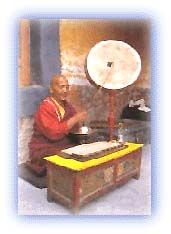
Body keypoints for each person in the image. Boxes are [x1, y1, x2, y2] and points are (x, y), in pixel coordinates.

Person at [27, 74, 87, 176]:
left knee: (83, 151)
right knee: (68, 156)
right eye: (61, 87)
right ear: (51, 89)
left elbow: (74, 129)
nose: (65, 90)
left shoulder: (67, 106)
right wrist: (75, 118)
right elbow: (53, 134)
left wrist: (80, 123)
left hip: (64, 144)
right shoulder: (45, 107)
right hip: (45, 146)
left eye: (67, 87)